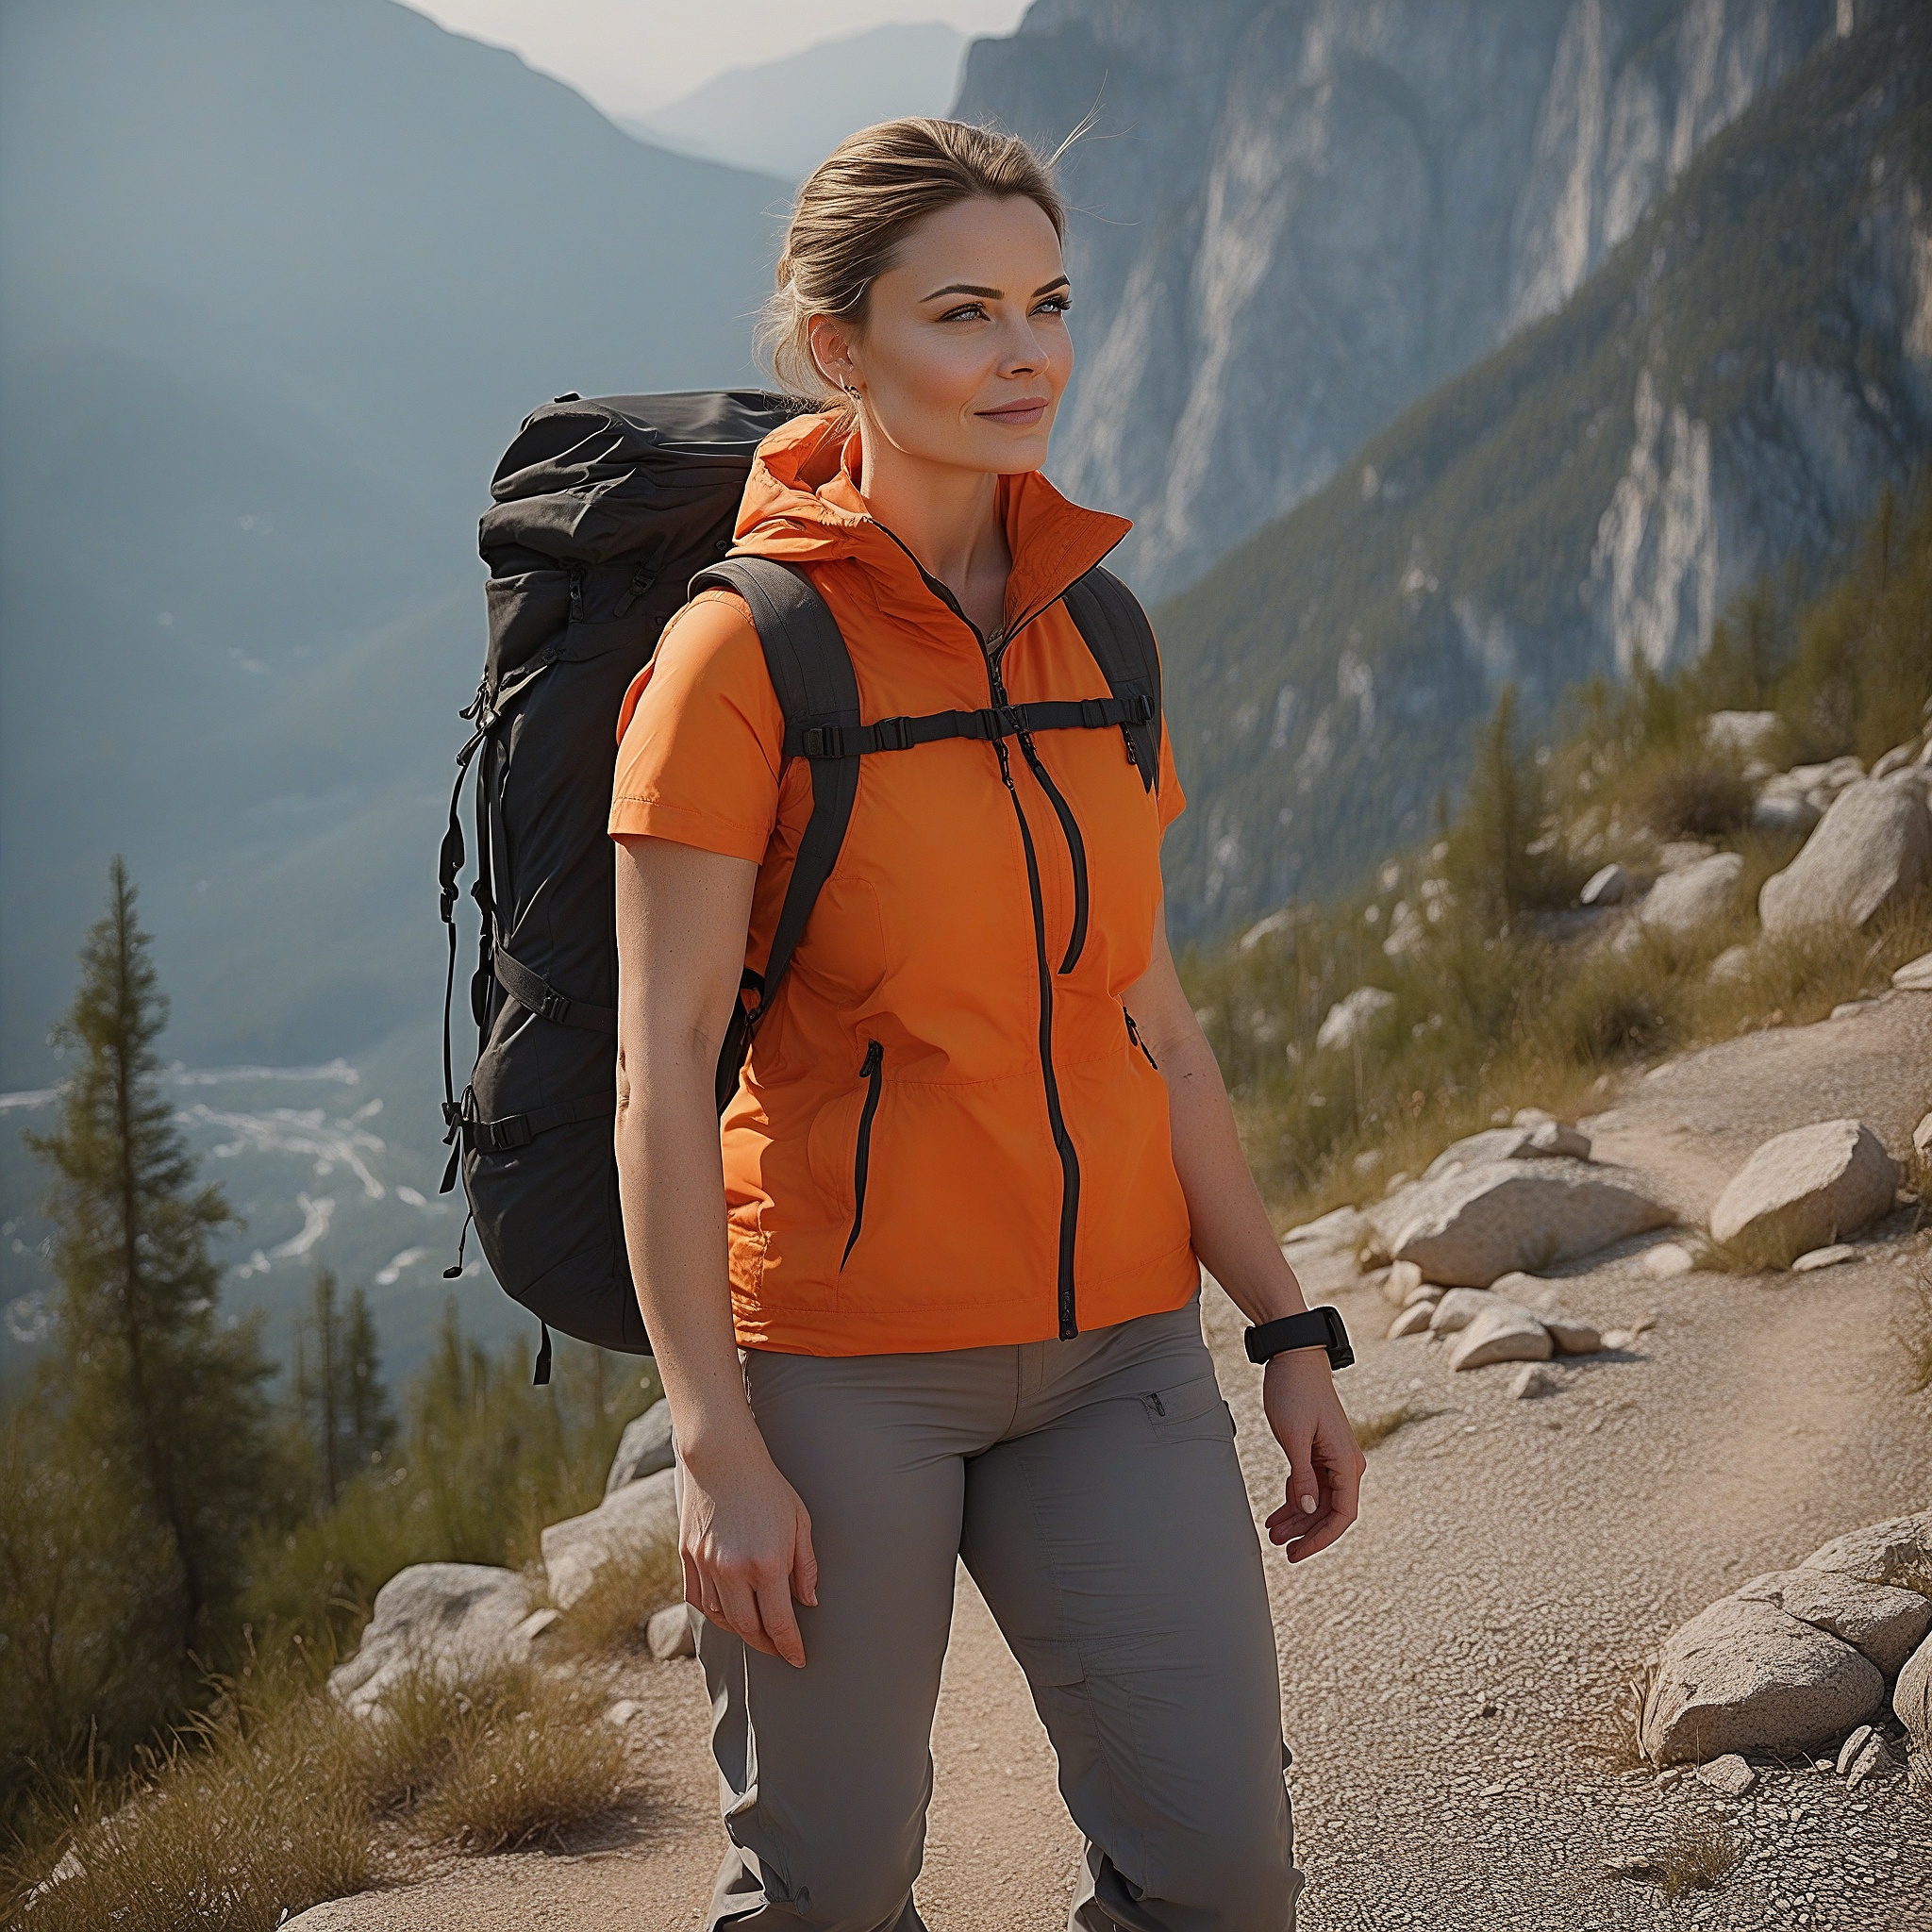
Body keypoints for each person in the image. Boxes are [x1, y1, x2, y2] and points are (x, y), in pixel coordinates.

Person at [609, 116, 1364, 1932]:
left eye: (1049, 302)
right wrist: (718, 1450)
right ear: (840, 348)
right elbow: (655, 1070)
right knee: (833, 1889)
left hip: (1118, 1350)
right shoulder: (744, 656)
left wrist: (1288, 1325)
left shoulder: (1101, 633)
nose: (1026, 353)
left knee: (1225, 1877)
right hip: (839, 1378)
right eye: (965, 313)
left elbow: (1152, 1021)